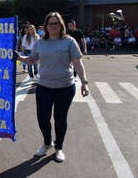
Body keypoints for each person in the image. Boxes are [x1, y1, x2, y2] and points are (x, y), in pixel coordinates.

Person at [16, 12, 89, 162]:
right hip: (44, 87)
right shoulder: (40, 43)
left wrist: (84, 82)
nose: (54, 26)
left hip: (65, 87)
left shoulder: (69, 42)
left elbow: (77, 63)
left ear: (61, 25)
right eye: (51, 23)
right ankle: (47, 143)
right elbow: (31, 59)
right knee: (43, 118)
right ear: (46, 26)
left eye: (56, 23)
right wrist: (19, 57)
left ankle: (59, 147)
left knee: (60, 119)